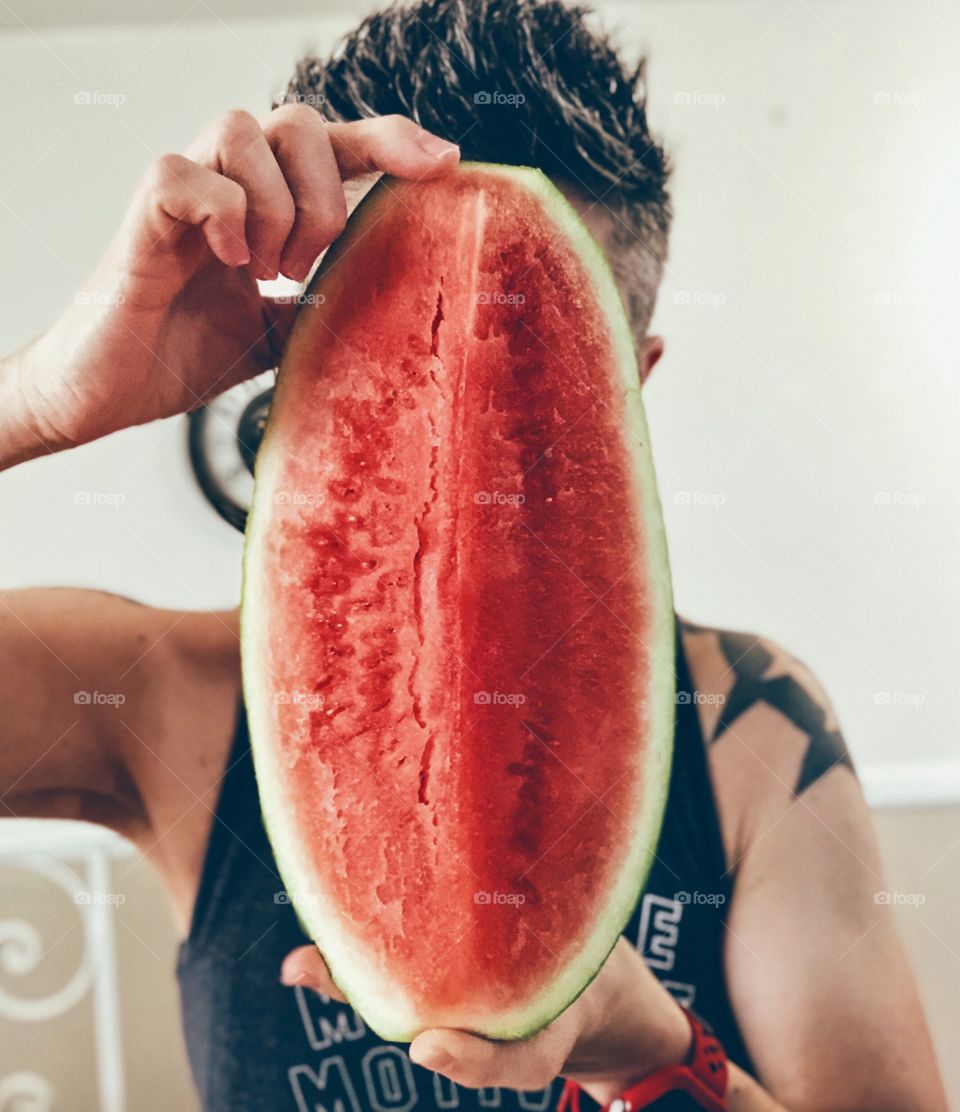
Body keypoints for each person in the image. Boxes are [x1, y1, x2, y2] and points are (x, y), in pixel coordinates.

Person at [0, 0, 946, 1109]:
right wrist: (40, 401)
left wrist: (649, 1050)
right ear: (289, 347)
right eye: (390, 341)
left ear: (625, 384)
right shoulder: (164, 699)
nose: (460, 429)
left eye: (526, 355)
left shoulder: (752, 730)